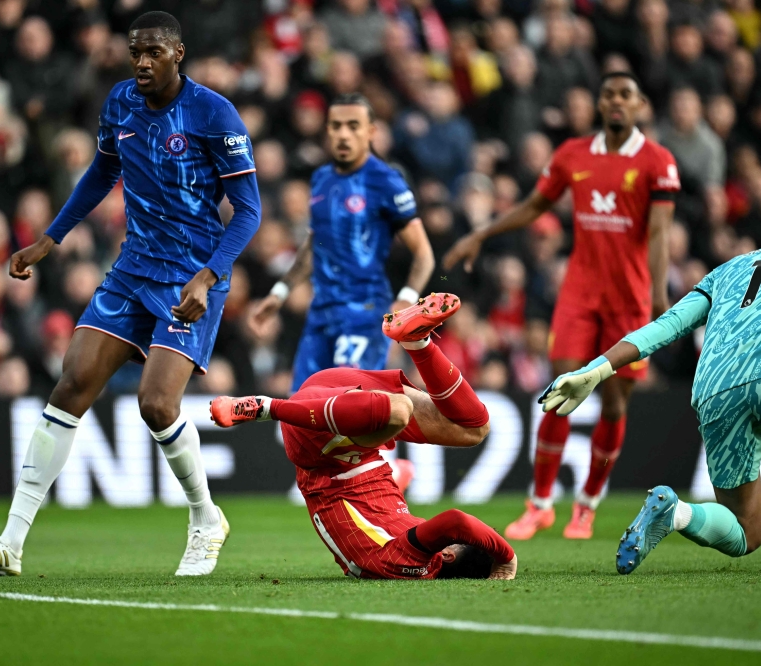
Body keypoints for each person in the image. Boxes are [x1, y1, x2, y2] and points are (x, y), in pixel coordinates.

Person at [0, 11, 262, 577]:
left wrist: (211, 276)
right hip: (133, 268)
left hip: (190, 278)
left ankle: (204, 517)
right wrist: (49, 238)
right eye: (134, 52)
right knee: (71, 383)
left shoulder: (214, 113)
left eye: (153, 52)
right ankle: (11, 542)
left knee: (156, 404)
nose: (142, 62)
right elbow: (101, 172)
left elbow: (249, 210)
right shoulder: (119, 102)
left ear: (178, 53)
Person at [540, 195, 761, 573]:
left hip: (713, 388)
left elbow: (667, 326)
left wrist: (597, 369)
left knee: (747, 531)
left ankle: (676, 512)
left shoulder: (727, 270)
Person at [444, 71, 680, 541]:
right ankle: (540, 504)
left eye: (625, 94)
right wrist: (481, 233)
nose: (616, 101)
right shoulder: (573, 154)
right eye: (609, 93)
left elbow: (657, 233)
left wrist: (658, 297)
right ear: (599, 102)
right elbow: (535, 205)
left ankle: (587, 504)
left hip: (629, 299)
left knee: (613, 405)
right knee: (559, 392)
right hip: (579, 292)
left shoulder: (657, 161)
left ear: (640, 105)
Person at [212, 293, 516, 580]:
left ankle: (265, 407)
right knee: (474, 429)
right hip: (345, 412)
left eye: (453, 542)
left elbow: (456, 522)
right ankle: (418, 341)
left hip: (317, 440)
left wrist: (506, 555)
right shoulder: (400, 557)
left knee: (400, 411)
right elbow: (367, 512)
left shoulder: (410, 560)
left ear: (447, 555)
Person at [249, 93, 434, 392]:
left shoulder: (386, 182)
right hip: (321, 314)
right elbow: (315, 244)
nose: (344, 134)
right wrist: (280, 292)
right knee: (302, 410)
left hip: (364, 313)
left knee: (349, 406)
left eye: (353, 125)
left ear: (371, 131)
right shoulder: (321, 179)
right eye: (336, 126)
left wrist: (407, 298)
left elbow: (424, 254)